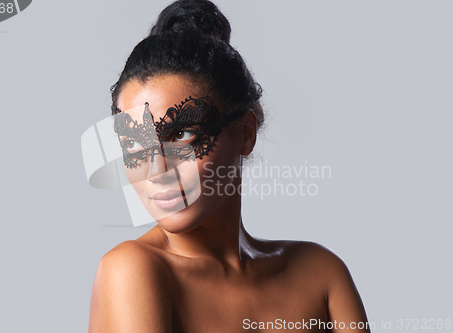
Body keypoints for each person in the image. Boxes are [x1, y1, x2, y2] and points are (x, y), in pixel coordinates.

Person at [88, 0, 370, 332]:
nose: (156, 169)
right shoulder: (133, 270)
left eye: (181, 134)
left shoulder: (322, 273)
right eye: (134, 144)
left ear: (246, 133)